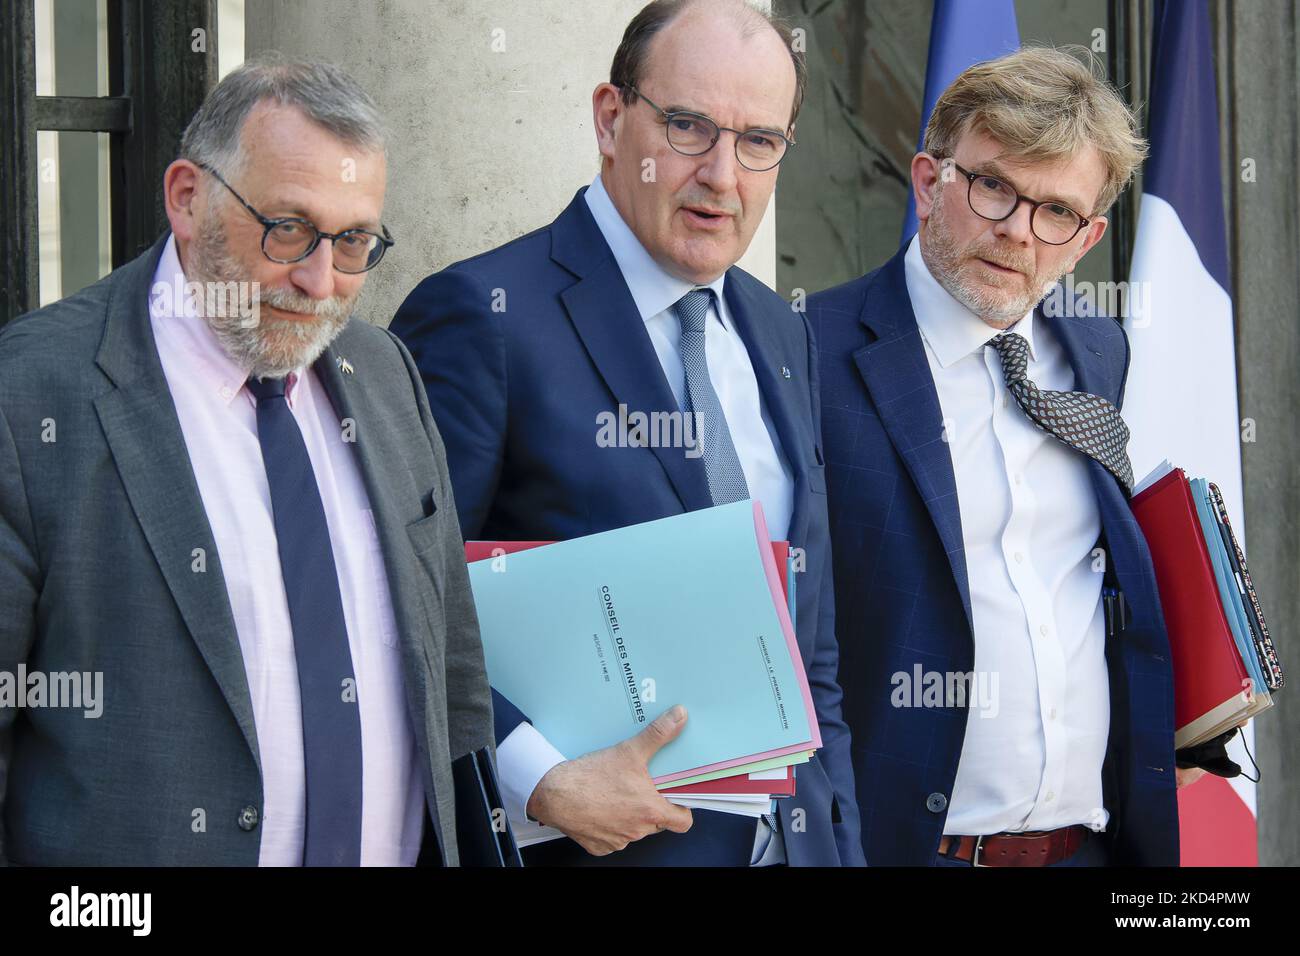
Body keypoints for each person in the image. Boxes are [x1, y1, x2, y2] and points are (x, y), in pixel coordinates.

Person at [390, 0, 861, 866]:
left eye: (759, 141)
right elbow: (398, 603)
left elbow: (810, 645)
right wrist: (538, 778)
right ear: (612, 120)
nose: (723, 174)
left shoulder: (782, 331)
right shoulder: (483, 316)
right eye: (688, 127)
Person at [0, 55, 495, 866]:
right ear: (188, 198)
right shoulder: (30, 397)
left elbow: (452, 678)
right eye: (288, 228)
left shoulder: (386, 373)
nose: (318, 279)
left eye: (355, 240)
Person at [808, 46, 1181, 866]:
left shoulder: (1098, 351)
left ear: (1088, 238)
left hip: (1088, 849)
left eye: (1055, 212)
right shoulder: (805, 352)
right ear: (928, 181)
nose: (1017, 231)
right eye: (993, 187)